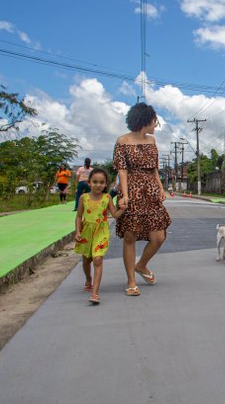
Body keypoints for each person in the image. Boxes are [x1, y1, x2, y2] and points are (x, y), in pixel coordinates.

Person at [113, 103, 171, 296]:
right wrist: (126, 194)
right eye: (155, 121)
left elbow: (154, 168)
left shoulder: (152, 141)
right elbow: (122, 170)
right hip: (131, 190)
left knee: (159, 236)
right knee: (130, 236)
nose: (156, 125)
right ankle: (131, 281)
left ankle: (141, 265)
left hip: (151, 191)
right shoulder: (122, 141)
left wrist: (161, 187)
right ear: (146, 120)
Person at [75, 168, 125, 305]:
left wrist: (124, 209)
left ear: (106, 184)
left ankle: (95, 293)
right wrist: (77, 232)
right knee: (86, 261)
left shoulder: (107, 198)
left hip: (101, 233)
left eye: (101, 182)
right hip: (86, 232)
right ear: (89, 183)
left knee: (97, 260)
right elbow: (79, 216)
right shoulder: (83, 198)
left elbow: (114, 214)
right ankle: (88, 279)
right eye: (95, 182)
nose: (98, 185)